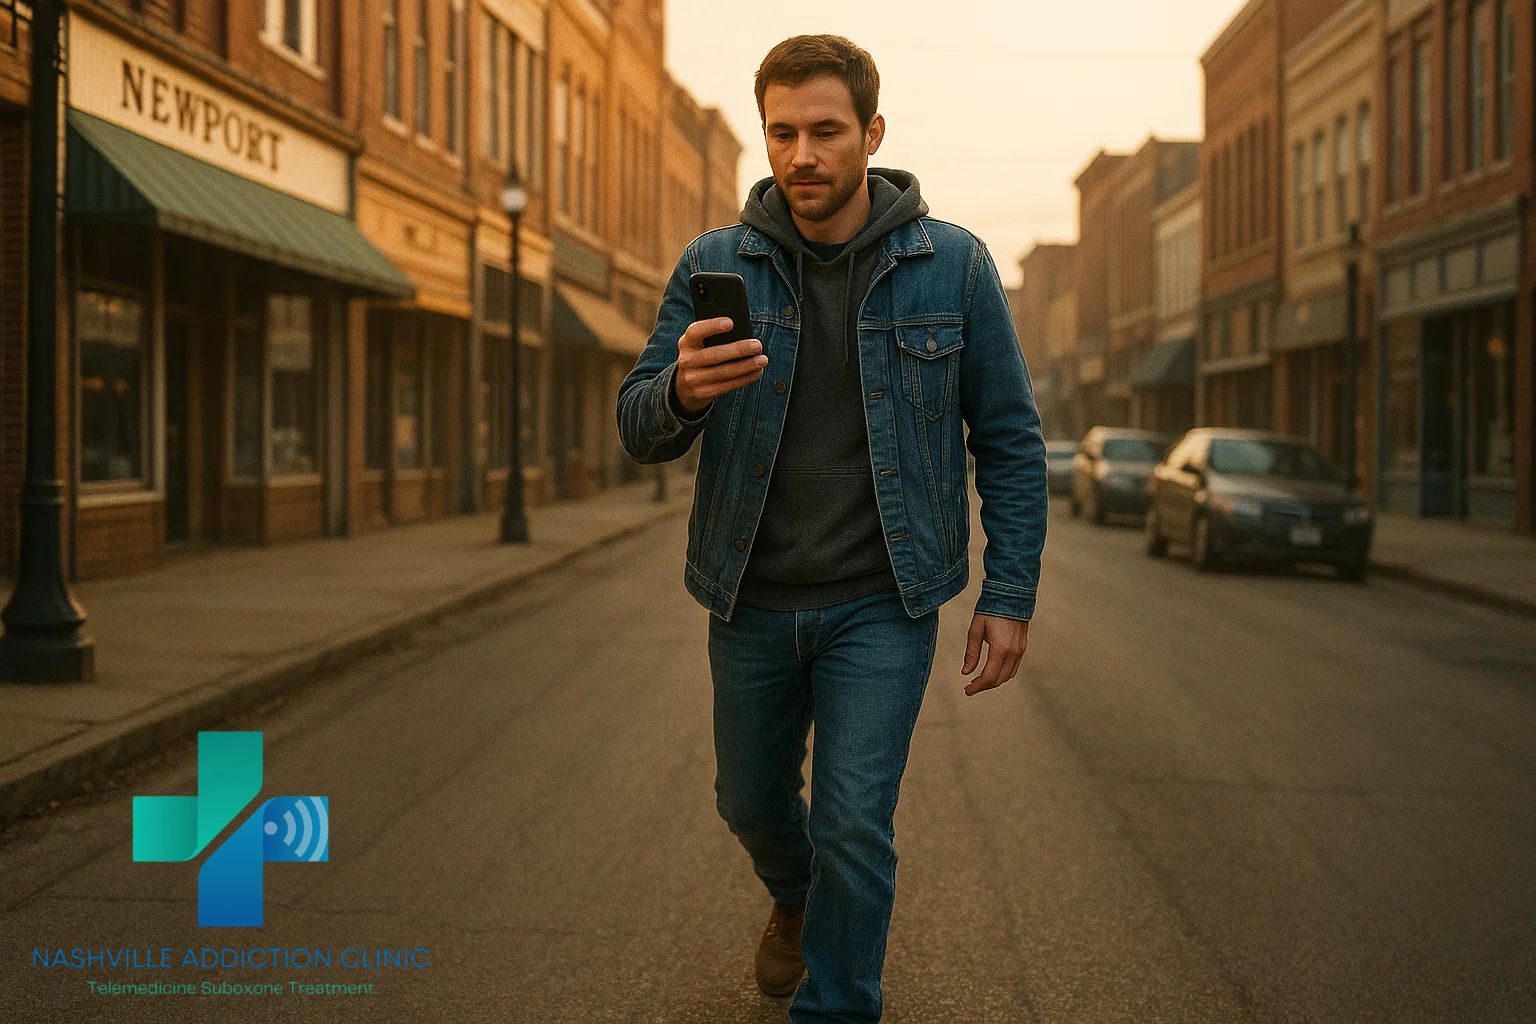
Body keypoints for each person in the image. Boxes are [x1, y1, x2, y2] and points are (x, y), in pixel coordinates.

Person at [615, 33, 1047, 1023]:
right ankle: (797, 896)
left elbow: (1010, 440)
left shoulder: (955, 267)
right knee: (749, 802)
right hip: (751, 596)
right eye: (782, 134)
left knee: (854, 820)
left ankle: (839, 1002)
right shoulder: (714, 263)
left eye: (825, 132)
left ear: (872, 132)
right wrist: (680, 389)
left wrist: (1009, 593)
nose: (801, 155)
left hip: (881, 602)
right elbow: (637, 422)